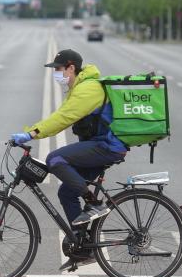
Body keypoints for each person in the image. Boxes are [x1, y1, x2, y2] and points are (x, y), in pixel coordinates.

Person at [9, 48, 128, 263]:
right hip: (99, 145)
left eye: (59, 69)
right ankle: (82, 246)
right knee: (66, 192)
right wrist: (34, 131)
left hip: (107, 146)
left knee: (54, 159)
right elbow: (60, 118)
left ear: (71, 68)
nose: (57, 74)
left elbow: (63, 118)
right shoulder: (79, 88)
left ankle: (94, 204)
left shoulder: (88, 89)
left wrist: (31, 133)